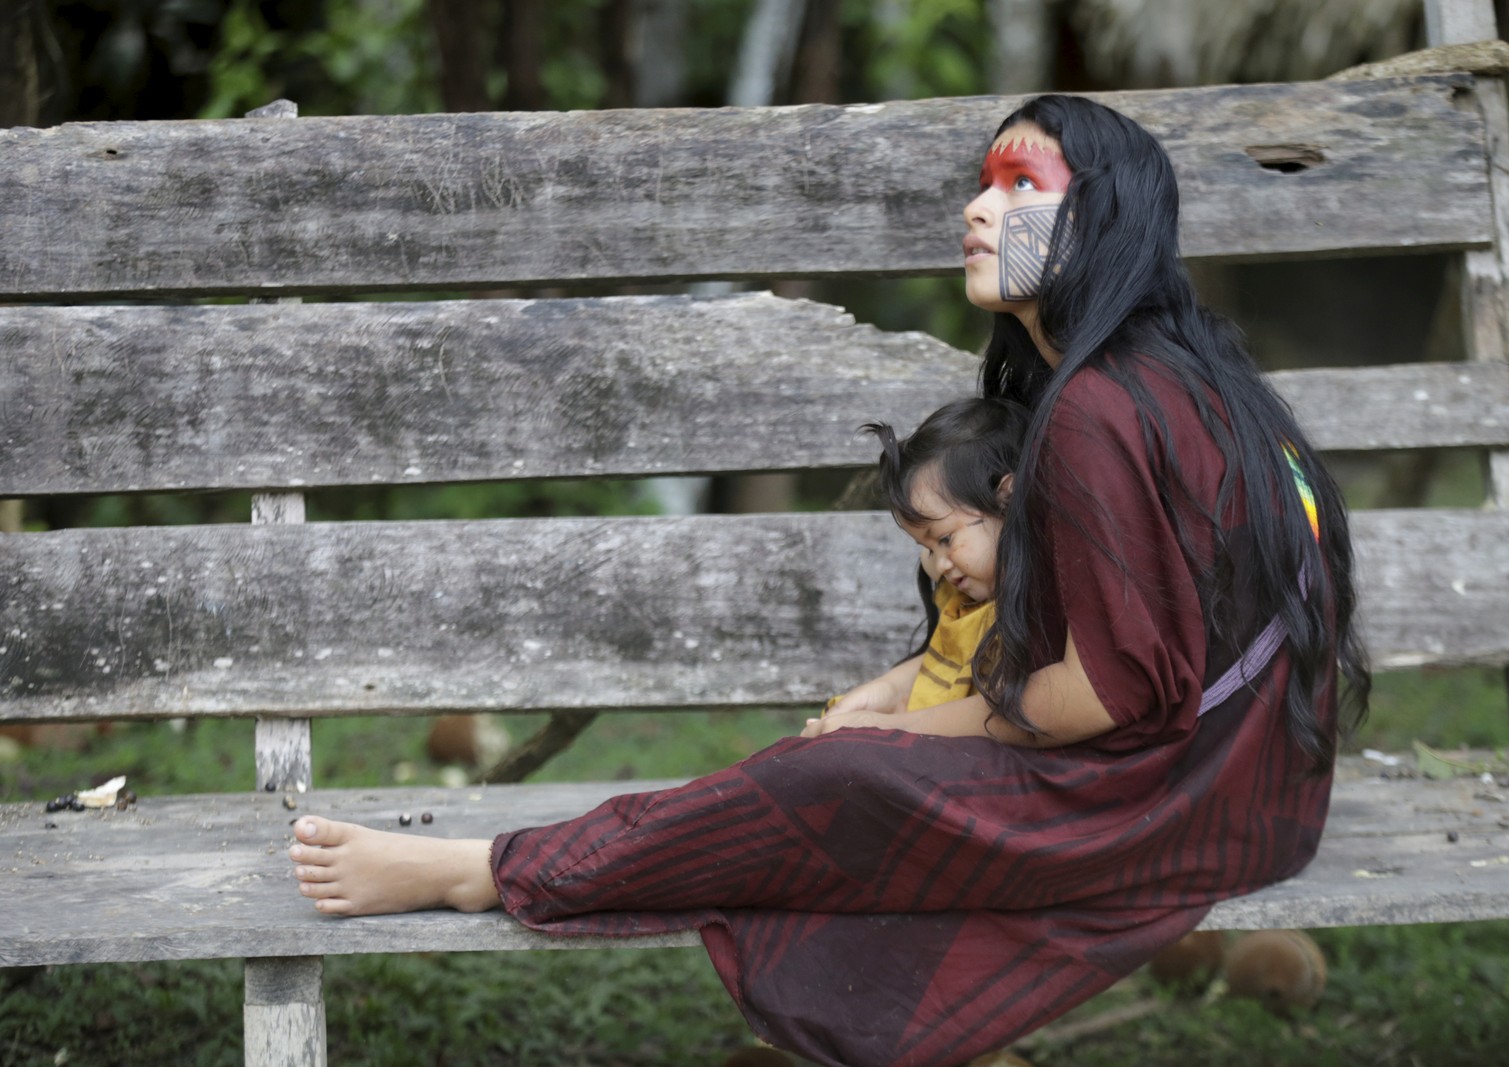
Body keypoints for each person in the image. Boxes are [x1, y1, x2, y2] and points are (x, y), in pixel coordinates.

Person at [288, 94, 1369, 1067]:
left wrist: (912, 735)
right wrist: (913, 702)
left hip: (1159, 810)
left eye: (1019, 186)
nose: (978, 208)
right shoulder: (1182, 376)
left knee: (823, 781)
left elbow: (1101, 697)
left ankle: (489, 866)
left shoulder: (1098, 407)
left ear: (1103, 222)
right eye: (984, 182)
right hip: (1259, 805)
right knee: (847, 767)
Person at [824, 396, 1030, 722]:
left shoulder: (1035, 613)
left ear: (1008, 500)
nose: (939, 565)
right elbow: (947, 656)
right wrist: (887, 690)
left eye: (946, 539)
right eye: (930, 549)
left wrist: (889, 728)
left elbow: (1004, 719)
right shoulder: (963, 602)